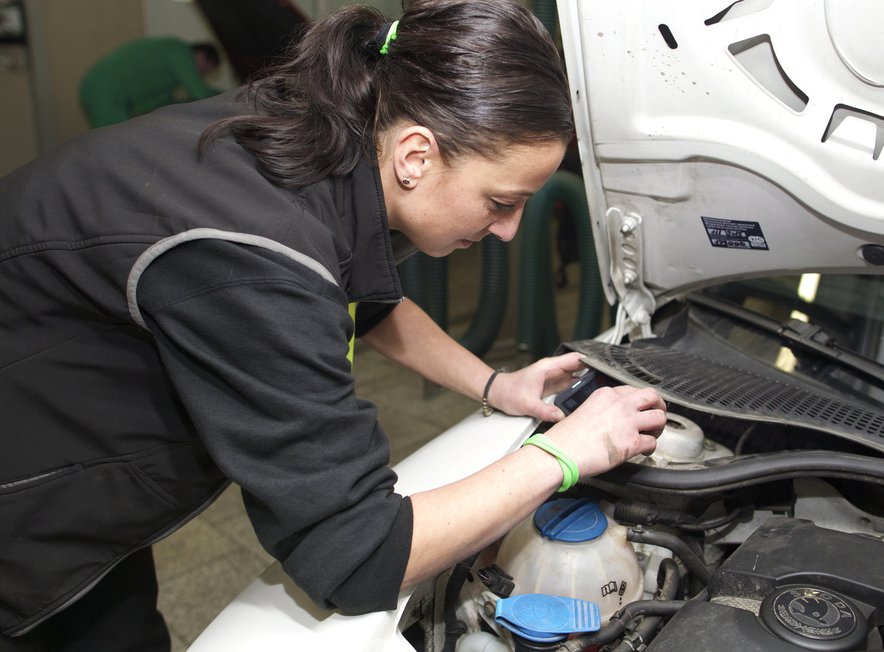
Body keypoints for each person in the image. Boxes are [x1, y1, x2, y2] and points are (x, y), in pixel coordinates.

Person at [0, 1, 667, 649]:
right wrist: (564, 455)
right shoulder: (252, 254)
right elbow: (358, 555)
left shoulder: (332, 130)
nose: (510, 229)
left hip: (79, 480)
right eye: (500, 201)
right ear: (416, 156)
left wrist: (496, 386)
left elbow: (366, 298)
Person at [79, 36, 222, 128]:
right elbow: (200, 92)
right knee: (112, 144)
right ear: (201, 56)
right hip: (104, 88)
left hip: (104, 89)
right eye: (207, 69)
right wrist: (229, 94)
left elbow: (164, 105)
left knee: (115, 144)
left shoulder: (172, 77)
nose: (204, 74)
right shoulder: (180, 50)